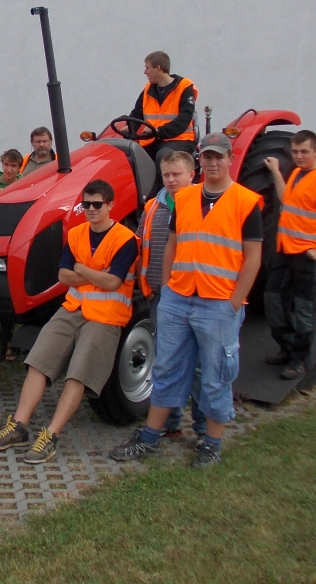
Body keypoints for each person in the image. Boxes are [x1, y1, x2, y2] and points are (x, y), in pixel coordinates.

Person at [110, 132, 262, 469]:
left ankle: (212, 443)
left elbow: (253, 257)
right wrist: (167, 288)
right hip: (178, 299)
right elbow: (173, 244)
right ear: (200, 161)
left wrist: (235, 301)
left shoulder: (246, 201)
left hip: (218, 303)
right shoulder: (187, 198)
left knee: (215, 375)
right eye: (207, 156)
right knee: (166, 369)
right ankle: (151, 437)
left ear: (230, 159)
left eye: (218, 156)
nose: (212, 162)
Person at [0, 179, 138, 463]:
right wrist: (94, 273)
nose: (91, 209)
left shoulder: (125, 239)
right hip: (72, 308)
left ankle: (50, 436)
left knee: (78, 374)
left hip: (105, 316)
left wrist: (80, 269)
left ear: (110, 205)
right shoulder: (77, 234)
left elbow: (113, 282)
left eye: (97, 204)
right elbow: (63, 276)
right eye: (86, 204)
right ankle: (19, 426)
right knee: (38, 361)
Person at [263, 131, 316, 380]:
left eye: (304, 152)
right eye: (296, 152)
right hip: (285, 250)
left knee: (303, 309)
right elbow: (286, 199)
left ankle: (299, 359)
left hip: (307, 257)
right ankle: (288, 348)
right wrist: (276, 171)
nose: (299, 156)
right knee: (273, 300)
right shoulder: (298, 174)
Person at [137, 150, 204, 440]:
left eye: (177, 174)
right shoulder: (153, 206)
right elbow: (141, 242)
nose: (171, 179)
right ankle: (170, 421)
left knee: (200, 366)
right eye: (166, 174)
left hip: (196, 295)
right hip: (161, 296)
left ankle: (203, 427)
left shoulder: (204, 205)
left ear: (192, 174)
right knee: (166, 361)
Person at [121, 52, 197, 194]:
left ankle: (162, 198)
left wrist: (158, 131)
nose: (145, 72)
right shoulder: (148, 89)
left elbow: (183, 120)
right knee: (132, 156)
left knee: (164, 156)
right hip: (153, 139)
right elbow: (137, 113)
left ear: (158, 68)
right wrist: (129, 127)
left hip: (179, 139)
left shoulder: (184, 87)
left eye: (147, 68)